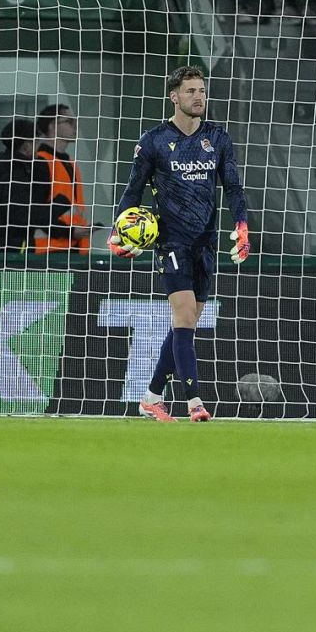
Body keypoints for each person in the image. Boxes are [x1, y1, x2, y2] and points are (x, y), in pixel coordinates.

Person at [110, 66, 251, 423]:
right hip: (171, 240)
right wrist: (118, 231)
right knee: (185, 317)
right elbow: (133, 190)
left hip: (207, 241)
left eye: (202, 90)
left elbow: (233, 187)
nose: (198, 97)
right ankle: (195, 403)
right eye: (190, 91)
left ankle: (150, 397)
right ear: (174, 96)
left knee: (184, 325)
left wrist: (242, 224)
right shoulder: (154, 140)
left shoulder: (218, 138)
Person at [33, 104, 91, 254]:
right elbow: (36, 213)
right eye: (69, 122)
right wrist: (69, 232)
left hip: (73, 247)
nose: (75, 126)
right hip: (50, 250)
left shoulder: (69, 163)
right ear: (52, 126)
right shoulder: (40, 162)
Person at [0, 118, 39, 251]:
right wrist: (54, 208)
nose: (38, 148)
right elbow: (20, 216)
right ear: (26, 145)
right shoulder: (17, 173)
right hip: (13, 251)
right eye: (36, 142)